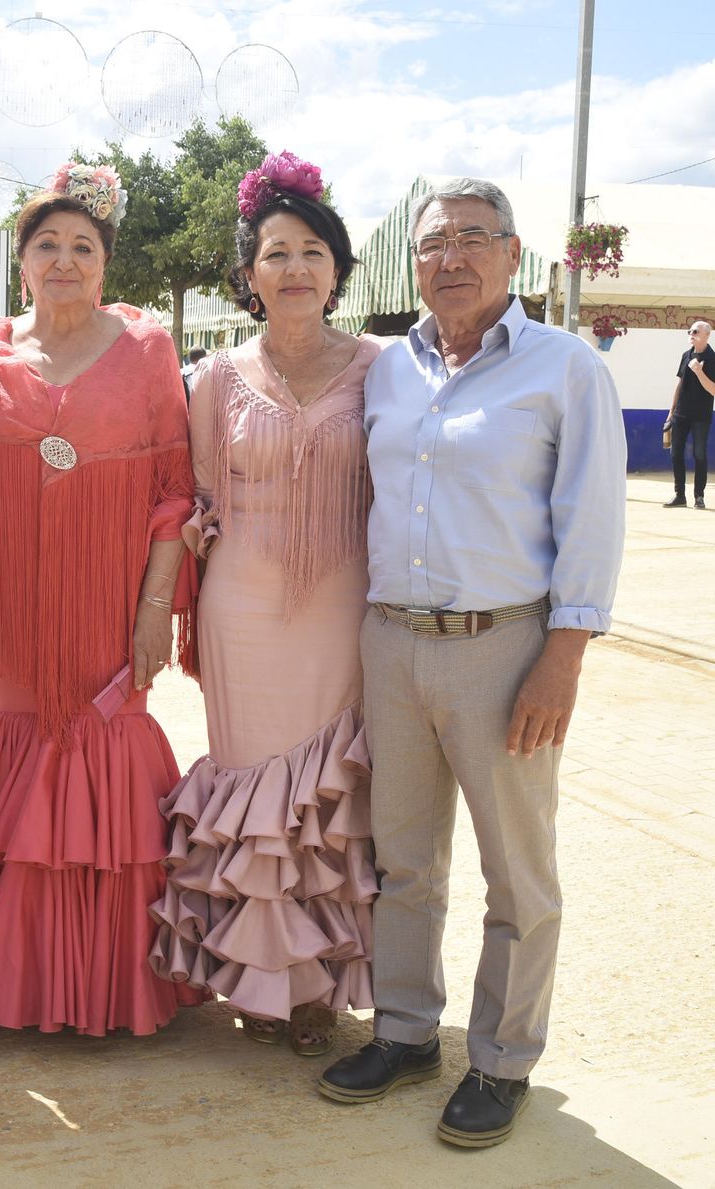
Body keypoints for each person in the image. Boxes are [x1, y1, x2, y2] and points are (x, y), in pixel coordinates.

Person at [318, 178, 626, 1148]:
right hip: (390, 640)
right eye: (431, 244)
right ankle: (406, 1030)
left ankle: (500, 1060)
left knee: (516, 871)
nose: (448, 259)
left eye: (469, 239)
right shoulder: (388, 369)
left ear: (512, 252)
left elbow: (592, 516)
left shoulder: (562, 368)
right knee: (403, 861)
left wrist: (563, 654)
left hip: (504, 645)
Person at [0, 163, 207, 1036]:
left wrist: (156, 608)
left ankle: (112, 983)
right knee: (25, 732)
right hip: (14, 599)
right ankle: (15, 973)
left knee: (104, 739)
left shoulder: (150, 352)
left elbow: (173, 491)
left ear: (105, 264)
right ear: (22, 263)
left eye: (82, 246)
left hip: (113, 600)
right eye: (46, 244)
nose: (64, 259)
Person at [147, 154, 380, 1057]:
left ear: (337, 269)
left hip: (342, 609)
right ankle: (251, 975)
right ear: (249, 274)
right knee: (254, 792)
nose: (295, 268)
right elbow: (200, 495)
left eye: (312, 251)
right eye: (276, 252)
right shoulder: (214, 379)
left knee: (325, 794)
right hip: (241, 608)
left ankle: (316, 985)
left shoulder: (383, 368)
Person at [664, 320, 714, 509]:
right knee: (675, 453)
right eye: (690, 331)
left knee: (699, 454)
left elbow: (713, 390)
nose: (691, 334)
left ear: (707, 335)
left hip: (701, 415)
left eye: (695, 331)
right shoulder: (686, 355)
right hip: (681, 413)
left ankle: (699, 497)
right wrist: (671, 411)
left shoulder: (713, 358)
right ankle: (679, 496)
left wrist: (699, 372)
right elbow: (680, 383)